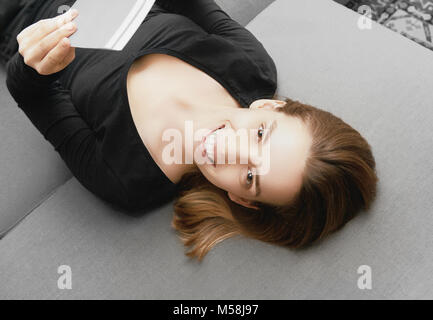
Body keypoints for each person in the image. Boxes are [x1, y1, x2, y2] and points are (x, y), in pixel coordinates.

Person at [2, 0, 378, 260]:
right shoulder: (252, 68)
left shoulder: (128, 179)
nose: (228, 150)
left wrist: (33, 63)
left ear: (242, 199)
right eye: (261, 134)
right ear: (269, 107)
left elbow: (31, 95)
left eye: (249, 176)